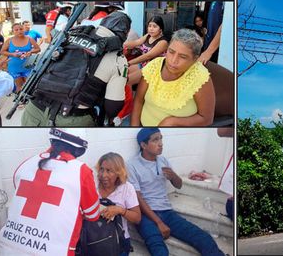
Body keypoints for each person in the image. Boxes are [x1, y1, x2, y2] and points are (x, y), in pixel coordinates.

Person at [0, 128, 101, 255]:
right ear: (79, 149)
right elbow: (92, 214)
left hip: (6, 247)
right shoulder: (81, 171)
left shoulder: (26, 163)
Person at [21, 10, 130, 127]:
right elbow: (113, 106)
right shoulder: (118, 59)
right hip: (72, 120)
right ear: (125, 34)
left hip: (33, 111)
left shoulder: (69, 36)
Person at [127, 128, 224, 256]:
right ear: (143, 145)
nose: (160, 143)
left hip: (167, 211)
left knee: (203, 237)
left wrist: (173, 176)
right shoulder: (132, 165)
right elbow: (137, 199)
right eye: (155, 140)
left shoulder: (163, 160)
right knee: (158, 247)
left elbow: (178, 185)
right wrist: (159, 223)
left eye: (161, 138)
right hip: (145, 215)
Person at [131, 29, 215, 127]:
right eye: (171, 52)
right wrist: (134, 129)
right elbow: (138, 101)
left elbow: (206, 118)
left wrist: (172, 122)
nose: (173, 60)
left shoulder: (200, 77)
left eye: (183, 57)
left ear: (195, 59)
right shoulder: (155, 65)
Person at [96, 152, 142, 256]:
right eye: (101, 169)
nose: (103, 175)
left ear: (118, 173)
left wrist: (120, 210)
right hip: (93, 236)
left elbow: (137, 218)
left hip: (118, 239)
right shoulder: (93, 184)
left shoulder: (127, 188)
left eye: (109, 171)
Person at [124, 16, 168, 86]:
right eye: (149, 26)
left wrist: (129, 62)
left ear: (160, 29)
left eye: (154, 26)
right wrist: (120, 44)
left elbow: (148, 56)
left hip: (152, 69)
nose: (151, 29)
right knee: (124, 72)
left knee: (127, 80)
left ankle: (129, 96)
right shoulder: (148, 36)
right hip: (143, 64)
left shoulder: (163, 42)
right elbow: (136, 42)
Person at [0, 23, 41, 93]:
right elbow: (2, 51)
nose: (19, 31)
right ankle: (20, 101)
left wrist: (30, 52)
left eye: (21, 29)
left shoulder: (29, 39)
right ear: (13, 31)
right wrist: (12, 54)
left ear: (23, 29)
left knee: (30, 86)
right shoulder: (9, 40)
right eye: (16, 30)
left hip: (28, 66)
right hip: (14, 67)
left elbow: (38, 49)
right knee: (19, 87)